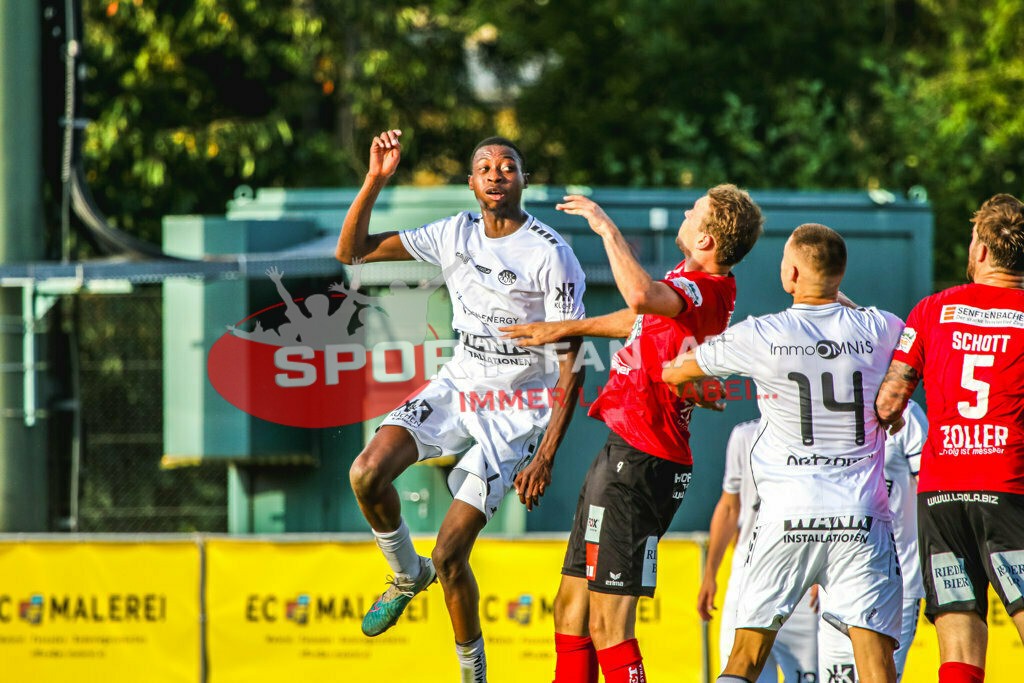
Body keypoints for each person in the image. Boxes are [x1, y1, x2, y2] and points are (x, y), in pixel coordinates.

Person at [335, 129, 587, 682]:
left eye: (508, 166)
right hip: (458, 386)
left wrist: (545, 455)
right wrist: (375, 179)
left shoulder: (551, 254)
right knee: (366, 473)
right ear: (471, 183)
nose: (497, 173)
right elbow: (352, 252)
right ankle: (406, 575)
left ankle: (474, 674)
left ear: (523, 180)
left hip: (516, 411)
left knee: (450, 556)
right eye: (485, 167)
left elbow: (574, 365)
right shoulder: (454, 232)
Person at [504, 185, 764, 682]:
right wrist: (565, 328)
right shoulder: (696, 282)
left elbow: (641, 296)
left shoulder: (703, 287)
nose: (685, 212)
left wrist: (604, 226)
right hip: (623, 454)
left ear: (706, 240)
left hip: (641, 464)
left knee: (609, 626)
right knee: (571, 611)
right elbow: (640, 317)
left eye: (694, 212)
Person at [663, 223, 905, 683]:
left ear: (791, 274)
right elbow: (888, 336)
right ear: (840, 275)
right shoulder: (882, 327)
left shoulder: (762, 333)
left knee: (745, 659)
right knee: (875, 663)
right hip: (861, 518)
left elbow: (674, 372)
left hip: (787, 516)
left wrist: (693, 383)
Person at [874, 193, 1024, 683]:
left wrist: (892, 416)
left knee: (958, 631)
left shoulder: (932, 309)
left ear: (981, 250)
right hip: (1008, 486)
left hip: (942, 494)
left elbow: (888, 403)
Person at [700, 419, 819, 683]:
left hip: (802, 579)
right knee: (739, 670)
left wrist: (823, 569)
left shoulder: (820, 430)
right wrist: (710, 575)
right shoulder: (744, 435)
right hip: (747, 578)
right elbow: (729, 507)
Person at [817, 399, 927, 683]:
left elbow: (929, 490)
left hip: (894, 582)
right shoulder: (829, 410)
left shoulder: (907, 412)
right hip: (837, 582)